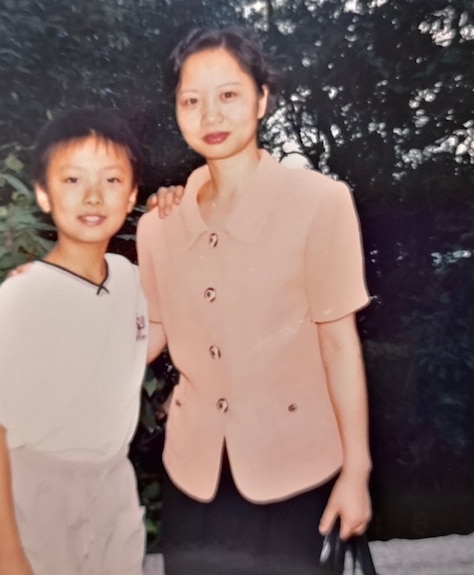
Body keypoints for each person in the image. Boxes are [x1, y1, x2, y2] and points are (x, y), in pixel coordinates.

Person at [137, 27, 373, 574]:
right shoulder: (160, 224)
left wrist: (356, 472)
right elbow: (153, 330)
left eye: (229, 95)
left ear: (262, 99)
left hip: (299, 473)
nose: (210, 115)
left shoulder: (320, 203)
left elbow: (339, 345)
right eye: (191, 100)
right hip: (192, 475)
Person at [0, 108, 149, 575]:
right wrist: (9, 550)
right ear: (43, 193)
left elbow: (135, 347)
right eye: (73, 180)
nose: (94, 196)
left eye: (112, 181)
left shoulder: (130, 279)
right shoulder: (24, 295)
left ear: (133, 194)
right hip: (35, 493)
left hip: (113, 489)